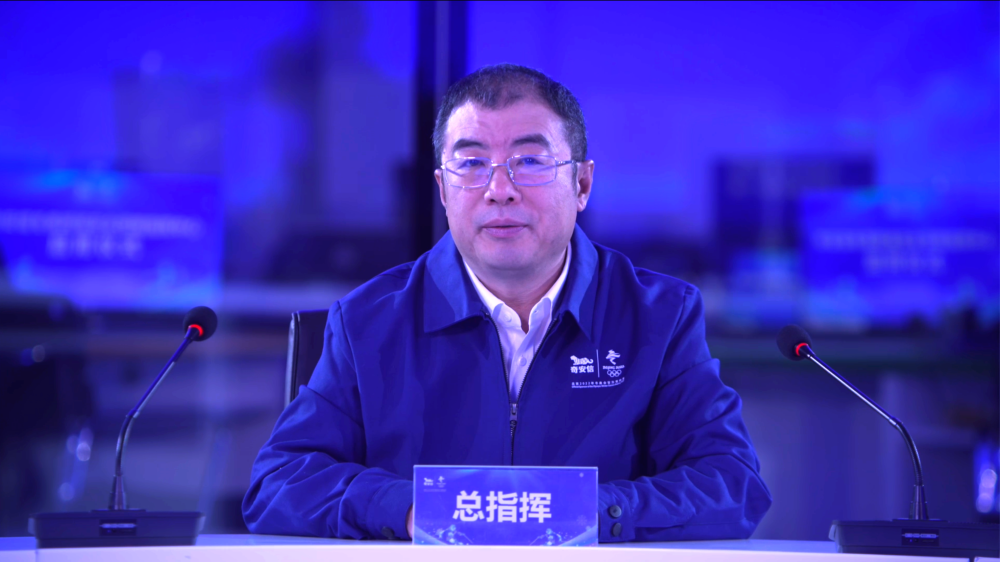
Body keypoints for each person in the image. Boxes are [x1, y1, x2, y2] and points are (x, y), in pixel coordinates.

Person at [243, 64, 772, 542]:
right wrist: (414, 510)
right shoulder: (368, 321)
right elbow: (279, 483)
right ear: (443, 190)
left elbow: (731, 483)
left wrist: (589, 512)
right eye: (472, 163)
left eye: (530, 161)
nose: (500, 189)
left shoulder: (660, 316)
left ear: (582, 183)